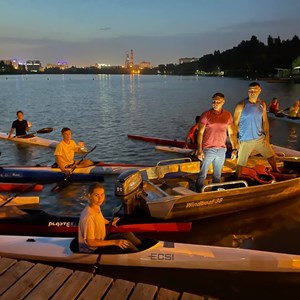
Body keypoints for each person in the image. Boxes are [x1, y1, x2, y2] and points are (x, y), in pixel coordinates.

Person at [233, 82, 280, 178]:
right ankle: (237, 179)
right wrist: (235, 141)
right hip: (246, 139)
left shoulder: (262, 104)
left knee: (271, 155)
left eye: (255, 90)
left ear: (259, 91)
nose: (252, 92)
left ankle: (276, 170)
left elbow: (265, 121)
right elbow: (234, 124)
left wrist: (267, 137)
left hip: (259, 138)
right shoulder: (241, 105)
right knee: (241, 163)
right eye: (250, 90)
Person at [78, 183, 141, 253]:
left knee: (128, 234)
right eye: (96, 195)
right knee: (126, 244)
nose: (100, 198)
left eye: (102, 194)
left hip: (103, 239)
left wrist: (109, 222)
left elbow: (99, 219)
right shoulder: (88, 217)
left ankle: (143, 249)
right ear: (89, 196)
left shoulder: (96, 206)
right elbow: (91, 242)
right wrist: (115, 242)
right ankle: (140, 257)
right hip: (94, 249)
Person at [195, 93, 238, 192]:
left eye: (218, 102)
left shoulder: (228, 115)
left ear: (223, 102)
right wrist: (200, 150)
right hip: (208, 149)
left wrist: (234, 148)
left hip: (221, 149)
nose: (215, 104)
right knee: (202, 174)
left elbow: (231, 134)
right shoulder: (206, 115)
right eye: (213, 102)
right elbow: (200, 133)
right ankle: (198, 192)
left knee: (217, 175)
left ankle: (215, 193)